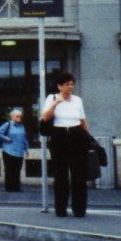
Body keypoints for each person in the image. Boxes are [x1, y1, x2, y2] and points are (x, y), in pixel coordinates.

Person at [40, 72, 90, 218]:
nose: (70, 87)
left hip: (76, 135)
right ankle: (60, 209)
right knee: (61, 175)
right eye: (67, 84)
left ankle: (79, 209)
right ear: (59, 86)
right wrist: (56, 103)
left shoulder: (77, 100)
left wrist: (89, 138)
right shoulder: (51, 98)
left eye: (72, 84)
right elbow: (45, 117)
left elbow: (82, 121)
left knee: (79, 175)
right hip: (59, 136)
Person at [0, 108, 29, 192]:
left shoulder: (22, 126)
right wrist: (5, 138)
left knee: (17, 170)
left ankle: (16, 187)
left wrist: (26, 149)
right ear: (12, 117)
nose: (19, 118)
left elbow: (24, 138)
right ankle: (9, 187)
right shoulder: (8, 124)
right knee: (9, 170)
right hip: (9, 151)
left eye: (20, 116)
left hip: (19, 151)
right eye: (17, 116)